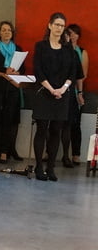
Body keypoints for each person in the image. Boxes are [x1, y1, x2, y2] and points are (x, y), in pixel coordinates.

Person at [31, 13, 83, 181]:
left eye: (62, 25)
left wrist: (62, 88)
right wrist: (51, 89)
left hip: (62, 94)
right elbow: (38, 70)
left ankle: (51, 167)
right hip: (44, 92)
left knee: (56, 131)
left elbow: (72, 72)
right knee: (41, 130)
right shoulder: (41, 46)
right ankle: (39, 166)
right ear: (50, 25)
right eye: (57, 25)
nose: (59, 28)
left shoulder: (68, 49)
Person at [0, 21, 23, 163]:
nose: (7, 32)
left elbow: (23, 69)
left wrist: (16, 73)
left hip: (12, 89)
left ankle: (4, 151)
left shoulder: (18, 49)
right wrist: (4, 72)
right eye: (4, 30)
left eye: (9, 30)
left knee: (8, 121)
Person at [62, 23, 88, 166]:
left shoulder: (79, 53)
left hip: (73, 91)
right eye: (69, 33)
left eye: (74, 33)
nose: (71, 36)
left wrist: (79, 92)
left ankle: (74, 154)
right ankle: (50, 153)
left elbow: (81, 76)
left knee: (73, 124)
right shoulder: (59, 50)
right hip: (57, 91)